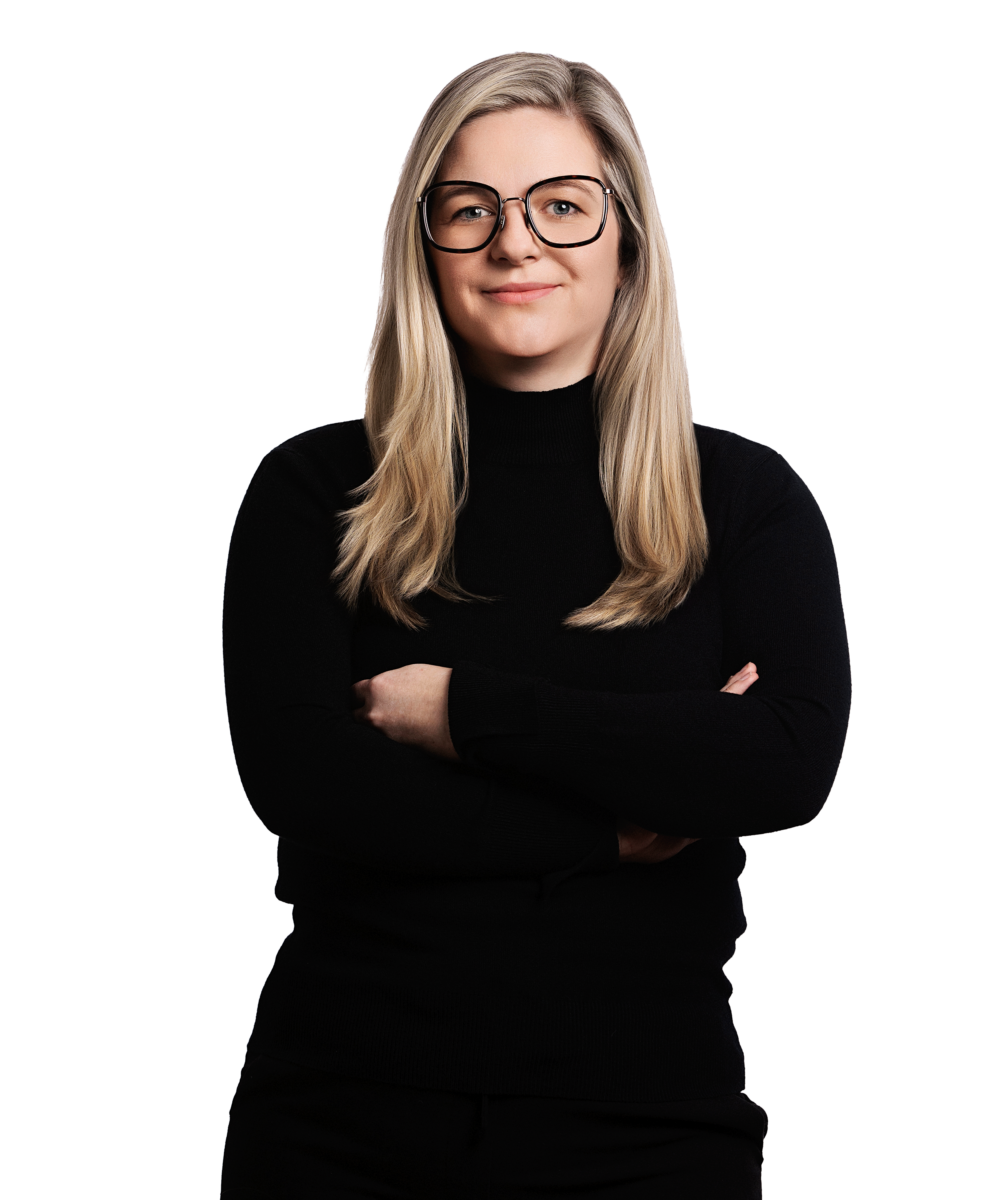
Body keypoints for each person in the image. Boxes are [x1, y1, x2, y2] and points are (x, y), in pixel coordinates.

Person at [219, 51, 851, 1199]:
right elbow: (307, 783)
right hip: (339, 1122)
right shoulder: (315, 492)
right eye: (471, 210)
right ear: (424, 247)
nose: (515, 244)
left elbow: (783, 764)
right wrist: (617, 820)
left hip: (649, 1128)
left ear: (628, 242)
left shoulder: (743, 499)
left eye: (561, 205)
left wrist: (462, 711)